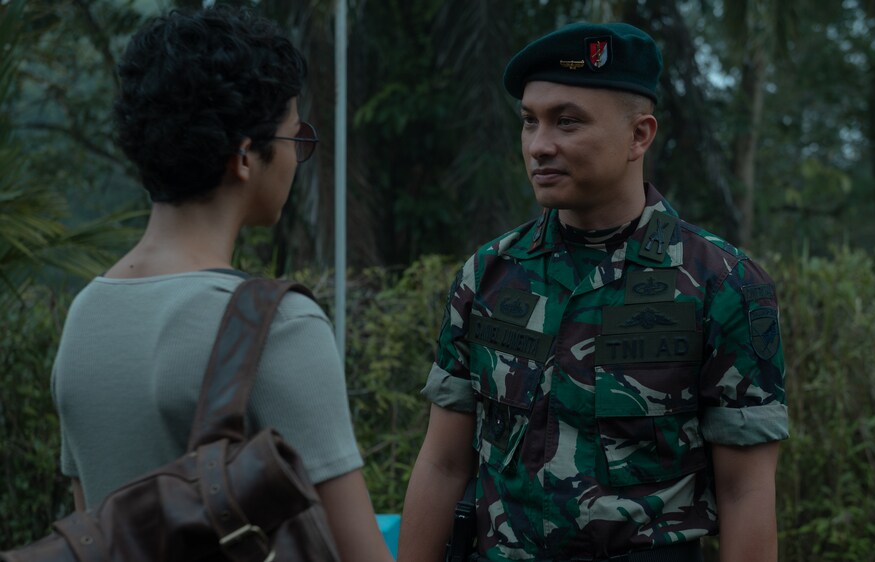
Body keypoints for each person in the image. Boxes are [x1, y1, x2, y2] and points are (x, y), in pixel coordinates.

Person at [398, 22, 788, 562]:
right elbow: (443, 464)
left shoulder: (722, 284)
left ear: (639, 136)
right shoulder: (488, 274)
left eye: (568, 122)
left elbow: (746, 491)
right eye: (529, 121)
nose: (539, 146)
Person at [50, 7, 392, 562]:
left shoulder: (86, 316)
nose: (296, 158)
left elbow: (95, 531)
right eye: (294, 137)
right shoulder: (277, 327)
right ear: (245, 156)